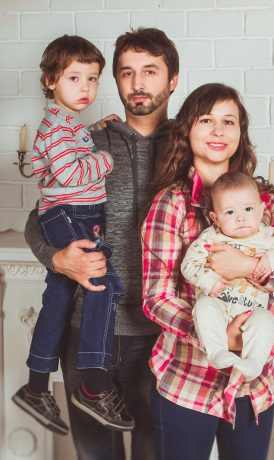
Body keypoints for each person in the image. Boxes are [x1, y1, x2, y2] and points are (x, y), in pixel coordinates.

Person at [24, 28, 179, 460]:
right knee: (95, 453)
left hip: (161, 333)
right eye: (127, 72)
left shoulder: (191, 145)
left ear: (173, 79)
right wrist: (56, 257)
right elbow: (40, 217)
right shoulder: (88, 140)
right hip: (89, 329)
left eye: (150, 71)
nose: (138, 83)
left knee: (157, 452)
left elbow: (233, 205)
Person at [142, 83, 274, 460]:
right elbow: (156, 297)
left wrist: (250, 267)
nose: (218, 131)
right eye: (206, 120)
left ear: (241, 133)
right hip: (188, 378)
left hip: (253, 382)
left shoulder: (266, 200)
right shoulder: (170, 203)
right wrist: (217, 335)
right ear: (187, 131)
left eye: (229, 122)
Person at [13, 34, 134, 435]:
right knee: (104, 286)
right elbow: (70, 172)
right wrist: (106, 158)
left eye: (92, 79)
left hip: (72, 213)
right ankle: (93, 384)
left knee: (60, 297)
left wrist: (94, 132)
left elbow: (71, 149)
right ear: (50, 80)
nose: (85, 88)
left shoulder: (69, 125)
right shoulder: (55, 127)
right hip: (70, 215)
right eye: (74, 78)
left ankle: (35, 385)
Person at [181, 171, 274, 381]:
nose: (241, 217)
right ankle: (217, 351)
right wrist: (209, 281)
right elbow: (188, 265)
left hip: (251, 310)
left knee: (266, 321)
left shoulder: (269, 236)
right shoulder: (211, 237)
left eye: (248, 209)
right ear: (215, 218)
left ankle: (254, 362)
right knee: (203, 308)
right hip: (219, 305)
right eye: (229, 212)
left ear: (261, 210)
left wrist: (271, 259)